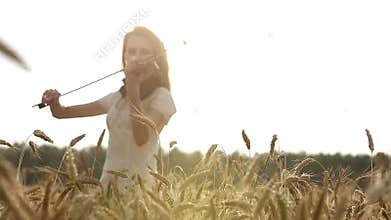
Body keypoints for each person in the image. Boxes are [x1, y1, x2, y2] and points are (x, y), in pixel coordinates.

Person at [41, 26, 176, 191]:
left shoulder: (162, 97)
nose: (136, 57)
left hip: (141, 191)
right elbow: (61, 113)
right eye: (131, 51)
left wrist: (133, 86)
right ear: (124, 58)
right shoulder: (117, 98)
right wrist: (54, 102)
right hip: (108, 187)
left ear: (156, 58)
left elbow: (141, 139)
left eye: (145, 52)